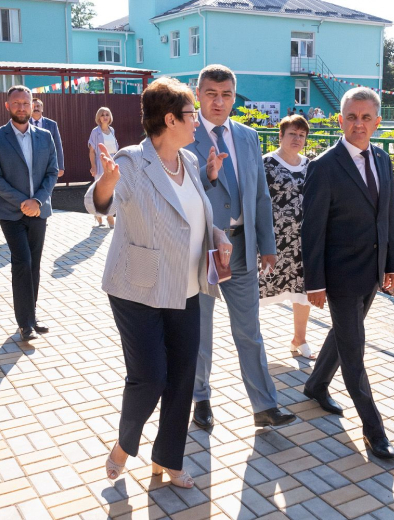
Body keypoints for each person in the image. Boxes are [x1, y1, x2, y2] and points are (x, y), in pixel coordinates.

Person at [85, 78, 232, 489]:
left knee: (183, 377)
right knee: (150, 377)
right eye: (191, 114)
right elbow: (98, 202)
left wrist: (217, 235)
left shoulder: (188, 160)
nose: (197, 121)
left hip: (186, 288)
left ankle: (168, 458)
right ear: (170, 119)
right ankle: (124, 446)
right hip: (140, 287)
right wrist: (107, 181)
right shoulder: (131, 162)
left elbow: (191, 215)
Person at [187, 64, 296, 429]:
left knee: (249, 331)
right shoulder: (184, 134)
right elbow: (178, 189)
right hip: (201, 249)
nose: (219, 102)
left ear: (235, 97)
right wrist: (207, 174)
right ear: (198, 95)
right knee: (200, 330)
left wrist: (267, 244)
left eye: (226, 95)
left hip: (242, 247)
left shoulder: (248, 136)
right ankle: (200, 398)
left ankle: (264, 405)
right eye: (211, 94)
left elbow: (260, 195)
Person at [301, 87, 394, 460]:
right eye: (352, 117)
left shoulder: (383, 159)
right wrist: (315, 282)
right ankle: (375, 431)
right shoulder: (324, 166)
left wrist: (392, 262)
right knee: (354, 351)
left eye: (366, 117)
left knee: (345, 335)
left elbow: (388, 214)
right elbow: (311, 231)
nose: (359, 124)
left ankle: (315, 384)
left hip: (372, 271)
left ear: (377, 121)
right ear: (340, 120)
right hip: (340, 276)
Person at [0, 85, 59, 342]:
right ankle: (24, 324)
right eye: (16, 103)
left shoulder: (45, 136)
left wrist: (37, 201)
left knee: (34, 264)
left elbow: (52, 172)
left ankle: (32, 317)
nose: (22, 107)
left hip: (39, 211)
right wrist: (23, 202)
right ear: (7, 106)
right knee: (22, 262)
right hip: (10, 213)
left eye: (26, 103)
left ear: (32, 105)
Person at [259, 115, 316, 360]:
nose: (297, 139)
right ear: (281, 135)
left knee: (302, 290)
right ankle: (253, 344)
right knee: (258, 290)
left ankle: (299, 339)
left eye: (302, 135)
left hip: (302, 242)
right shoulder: (266, 164)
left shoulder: (310, 165)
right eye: (292, 133)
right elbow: (256, 200)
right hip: (271, 241)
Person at [88, 107, 118, 228]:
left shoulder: (112, 130)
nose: (105, 117)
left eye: (107, 114)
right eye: (102, 115)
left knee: (113, 189)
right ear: (99, 117)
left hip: (113, 161)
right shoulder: (95, 132)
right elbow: (92, 151)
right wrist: (93, 166)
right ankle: (106, 217)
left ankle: (105, 215)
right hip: (101, 163)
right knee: (102, 191)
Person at [30, 98, 65, 178]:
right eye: (33, 106)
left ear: (42, 108)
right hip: (30, 165)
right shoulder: (25, 124)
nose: (36, 108)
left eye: (38, 106)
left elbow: (57, 145)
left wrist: (60, 166)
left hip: (48, 164)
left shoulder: (52, 124)